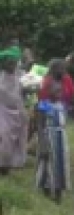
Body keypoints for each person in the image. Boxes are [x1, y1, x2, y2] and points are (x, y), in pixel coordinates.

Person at [35, 82, 69, 202]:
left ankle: (59, 188)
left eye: (60, 91)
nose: (59, 94)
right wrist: (42, 143)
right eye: (56, 91)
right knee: (48, 162)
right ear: (49, 91)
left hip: (60, 136)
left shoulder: (62, 105)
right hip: (48, 136)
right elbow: (40, 124)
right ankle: (47, 188)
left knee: (60, 162)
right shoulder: (44, 105)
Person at [0, 45, 28, 174]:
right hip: (3, 111)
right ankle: (3, 165)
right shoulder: (1, 78)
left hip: (18, 110)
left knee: (19, 137)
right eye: (9, 63)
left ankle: (13, 163)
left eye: (14, 63)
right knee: (5, 137)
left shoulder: (19, 75)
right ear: (3, 64)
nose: (12, 65)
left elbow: (22, 90)